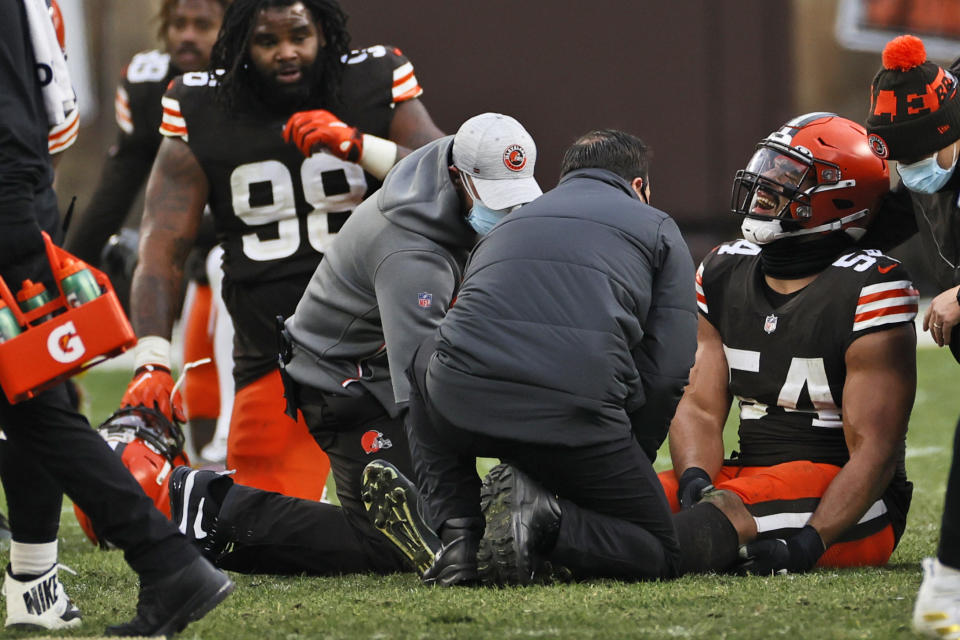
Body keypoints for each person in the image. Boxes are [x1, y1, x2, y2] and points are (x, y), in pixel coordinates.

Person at [165, 112, 542, 577]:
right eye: (496, 202)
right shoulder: (412, 258)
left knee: (429, 514)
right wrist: (458, 520)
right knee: (398, 546)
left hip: (381, 358)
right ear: (456, 176)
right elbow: (424, 398)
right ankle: (215, 510)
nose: (507, 215)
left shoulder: (436, 164)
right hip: (345, 385)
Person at [119, 0, 445, 501]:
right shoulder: (201, 104)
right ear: (239, 44)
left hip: (374, 348)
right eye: (267, 41)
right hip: (272, 351)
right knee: (260, 521)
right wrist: (152, 360)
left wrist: (362, 146)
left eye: (299, 35)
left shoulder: (371, 80)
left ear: (323, 31)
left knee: (413, 513)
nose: (286, 52)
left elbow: (451, 182)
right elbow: (164, 246)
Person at [366, 128, 697, 587]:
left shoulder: (510, 222)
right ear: (639, 186)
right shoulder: (657, 226)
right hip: (573, 416)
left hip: (462, 403)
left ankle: (460, 539)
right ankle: (549, 521)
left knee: (425, 362)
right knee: (661, 553)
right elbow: (667, 371)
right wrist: (629, 457)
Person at [0, 0, 232, 634]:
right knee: (30, 393)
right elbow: (65, 122)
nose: (187, 38)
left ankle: (161, 561)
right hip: (21, 184)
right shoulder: (145, 76)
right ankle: (41, 581)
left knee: (32, 396)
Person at [656, 113, 916, 578]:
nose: (765, 183)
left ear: (840, 197)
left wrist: (806, 547)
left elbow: (875, 452)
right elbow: (698, 404)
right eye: (768, 166)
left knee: (723, 515)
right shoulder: (722, 270)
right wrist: (695, 477)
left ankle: (571, 548)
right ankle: (539, 537)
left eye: (789, 175)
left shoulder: (870, 285)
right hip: (749, 476)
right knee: (635, 498)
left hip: (847, 501)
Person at [63, 0, 231, 463]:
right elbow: (116, 190)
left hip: (259, 242)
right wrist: (65, 271)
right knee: (134, 256)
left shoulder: (254, 78)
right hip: (196, 242)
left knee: (215, 270)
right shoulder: (151, 84)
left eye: (202, 25)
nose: (187, 36)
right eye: (178, 24)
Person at [862, 34, 960, 639]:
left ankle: (948, 581)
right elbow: (889, 217)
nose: (914, 173)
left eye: (927, 155)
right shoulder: (924, 124)